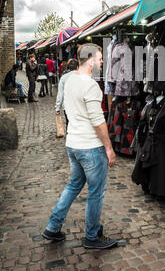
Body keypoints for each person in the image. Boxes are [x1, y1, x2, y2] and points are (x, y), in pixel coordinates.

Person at [42, 43, 118, 249]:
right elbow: (97, 121)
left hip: (73, 144)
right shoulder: (90, 85)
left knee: (74, 185)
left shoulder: (69, 80)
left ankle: (53, 227)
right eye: (100, 58)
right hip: (90, 147)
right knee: (95, 192)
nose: (102, 61)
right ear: (91, 60)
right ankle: (92, 236)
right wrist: (109, 148)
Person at [55, 58, 79, 126]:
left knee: (69, 123)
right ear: (78, 67)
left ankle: (70, 135)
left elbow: (60, 94)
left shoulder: (63, 77)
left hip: (67, 105)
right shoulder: (83, 76)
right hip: (79, 105)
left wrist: (57, 107)